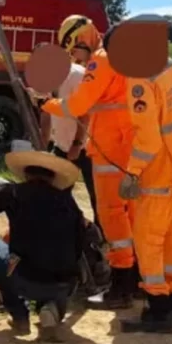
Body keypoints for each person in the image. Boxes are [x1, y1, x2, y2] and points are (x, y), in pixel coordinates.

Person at [33, 15, 138, 311]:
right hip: (124, 150)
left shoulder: (101, 61)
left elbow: (78, 107)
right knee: (129, 217)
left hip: (109, 151)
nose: (75, 58)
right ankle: (135, 282)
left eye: (73, 51)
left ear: (81, 39)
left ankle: (120, 286)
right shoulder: (123, 61)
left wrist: (45, 103)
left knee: (113, 218)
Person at [0, 139, 84, 340]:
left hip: (25, 278)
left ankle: (19, 315)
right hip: (64, 282)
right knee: (57, 272)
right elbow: (79, 245)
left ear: (26, 173)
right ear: (53, 178)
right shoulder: (68, 202)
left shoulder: (13, 193)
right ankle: (51, 309)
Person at [116, 54, 172, 334]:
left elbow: (149, 137)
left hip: (160, 173)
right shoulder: (170, 64)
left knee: (147, 239)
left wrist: (133, 171)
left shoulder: (138, 77)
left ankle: (159, 309)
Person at [39, 57, 99, 230]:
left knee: (97, 197)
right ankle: (73, 227)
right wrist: (42, 145)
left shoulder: (77, 76)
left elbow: (85, 113)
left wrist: (77, 144)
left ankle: (101, 239)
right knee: (57, 194)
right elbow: (46, 110)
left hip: (87, 146)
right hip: (62, 144)